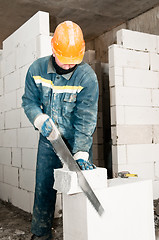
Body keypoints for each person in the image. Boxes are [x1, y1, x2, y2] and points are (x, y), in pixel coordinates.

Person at [22, 20, 99, 240]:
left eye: (73, 61)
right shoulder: (36, 70)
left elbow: (86, 117)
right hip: (49, 140)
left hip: (77, 142)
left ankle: (83, 233)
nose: (68, 66)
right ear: (53, 50)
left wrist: (81, 152)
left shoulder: (87, 77)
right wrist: (38, 118)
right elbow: (29, 101)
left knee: (81, 190)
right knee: (44, 188)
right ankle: (40, 234)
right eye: (64, 60)